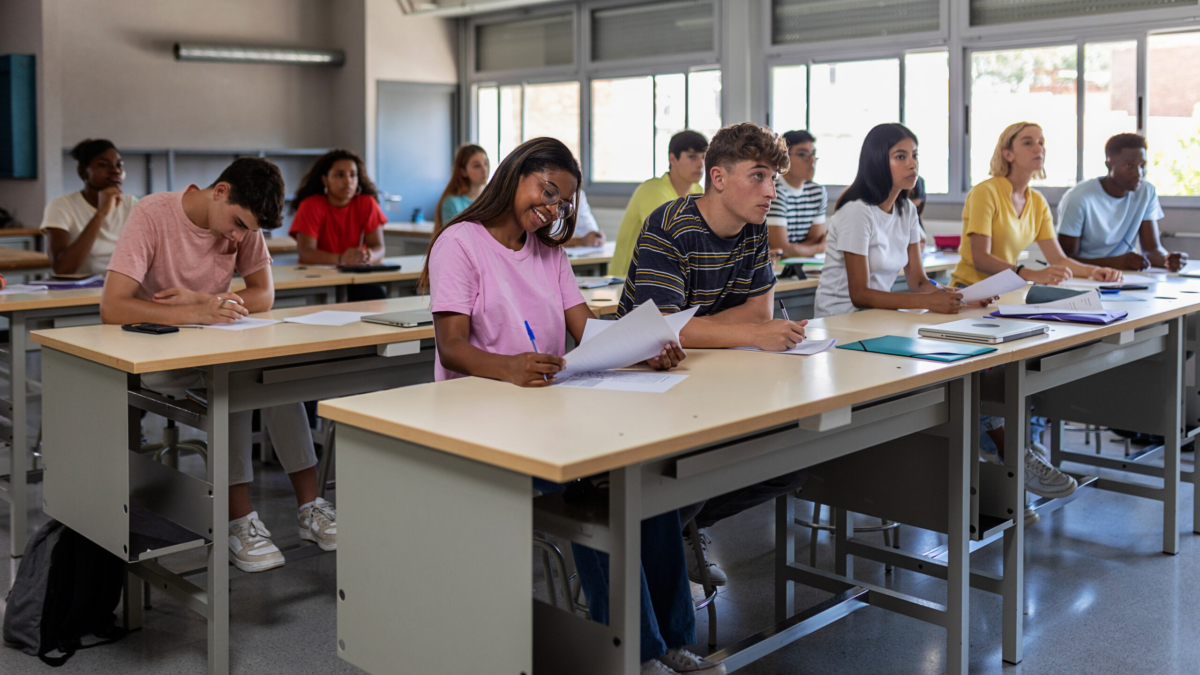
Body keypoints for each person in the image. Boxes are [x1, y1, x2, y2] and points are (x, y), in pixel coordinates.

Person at [421, 138, 713, 675]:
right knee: (600, 491)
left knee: (646, 483)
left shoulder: (549, 253)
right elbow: (452, 347)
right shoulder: (458, 243)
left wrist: (643, 350)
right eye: (548, 191)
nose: (553, 208)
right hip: (484, 422)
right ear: (516, 175)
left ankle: (672, 640)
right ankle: (636, 653)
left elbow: (586, 330)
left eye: (564, 201)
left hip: (550, 411)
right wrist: (509, 366)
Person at [100, 158, 336, 573]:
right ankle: (239, 520)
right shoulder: (152, 214)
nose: (239, 236)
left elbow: (264, 294)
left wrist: (201, 302)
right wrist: (196, 312)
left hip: (217, 347)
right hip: (160, 357)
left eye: (248, 231)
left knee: (275, 376)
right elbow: (113, 306)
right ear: (221, 191)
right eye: (238, 224)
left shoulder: (244, 222)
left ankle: (310, 507)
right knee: (236, 382)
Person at [617, 122, 810, 590]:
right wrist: (747, 333)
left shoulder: (753, 227)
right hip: (644, 380)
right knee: (693, 467)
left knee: (792, 460)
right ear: (718, 178)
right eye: (758, 176)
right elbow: (663, 330)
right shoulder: (669, 224)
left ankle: (683, 525)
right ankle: (662, 534)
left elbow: (760, 311)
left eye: (773, 179)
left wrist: (699, 329)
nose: (771, 191)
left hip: (713, 369)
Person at [950, 122, 1121, 505]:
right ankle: (1012, 453)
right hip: (969, 300)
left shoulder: (1037, 200)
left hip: (1006, 303)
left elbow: (1058, 258)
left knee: (1034, 367)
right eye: (1027, 142)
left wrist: (1094, 271)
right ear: (1007, 153)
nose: (1037, 147)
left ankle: (1021, 453)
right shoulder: (986, 192)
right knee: (989, 378)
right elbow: (980, 257)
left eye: (1041, 142)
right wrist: (1029, 273)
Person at [814, 124, 992, 318]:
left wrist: (966, 296)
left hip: (875, 316)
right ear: (877, 162)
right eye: (900, 157)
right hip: (840, 318)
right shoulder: (857, 211)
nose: (912, 164)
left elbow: (918, 282)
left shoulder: (907, 209)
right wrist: (928, 301)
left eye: (914, 155)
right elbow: (860, 295)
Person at [1058, 133, 1187, 272]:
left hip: (1125, 273)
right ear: (1109, 164)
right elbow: (1064, 260)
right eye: (1130, 165)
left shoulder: (1146, 192)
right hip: (1084, 276)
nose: (1138, 173)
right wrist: (1114, 263)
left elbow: (1152, 250)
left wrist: (1169, 260)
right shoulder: (1078, 198)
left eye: (1142, 165)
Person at [289, 149, 388, 300]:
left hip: (355, 275)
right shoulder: (311, 205)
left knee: (376, 296)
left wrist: (369, 256)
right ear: (325, 180)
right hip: (317, 276)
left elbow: (379, 248)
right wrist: (341, 259)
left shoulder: (367, 203)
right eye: (340, 175)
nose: (348, 181)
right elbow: (306, 253)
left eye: (353, 175)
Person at [610, 131, 708, 278]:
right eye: (692, 157)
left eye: (704, 157)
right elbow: (668, 240)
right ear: (672, 159)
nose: (701, 164)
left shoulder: (698, 190)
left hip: (667, 275)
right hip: (629, 280)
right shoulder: (653, 190)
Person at [41, 139, 139, 275]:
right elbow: (62, 268)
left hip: (124, 285)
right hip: (82, 287)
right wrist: (101, 213)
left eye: (119, 165)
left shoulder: (132, 204)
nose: (115, 170)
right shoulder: (61, 206)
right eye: (103, 165)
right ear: (83, 172)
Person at [766, 130, 828, 258]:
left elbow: (815, 239)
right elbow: (781, 250)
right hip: (776, 267)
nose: (812, 160)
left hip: (804, 265)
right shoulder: (774, 192)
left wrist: (792, 249)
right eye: (803, 154)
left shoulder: (817, 192)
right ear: (784, 157)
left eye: (813, 154)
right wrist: (820, 248)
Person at [435, 144, 490, 231]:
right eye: (477, 166)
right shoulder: (452, 204)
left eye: (486, 163)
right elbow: (452, 236)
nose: (484, 169)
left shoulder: (495, 198)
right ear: (463, 171)